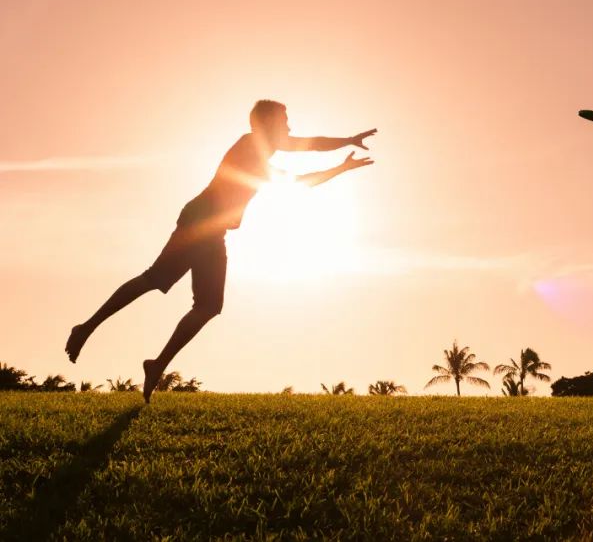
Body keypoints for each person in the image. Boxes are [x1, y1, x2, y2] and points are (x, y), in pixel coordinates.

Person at [64, 100, 376, 402]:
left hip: (214, 232)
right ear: (266, 124)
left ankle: (156, 365)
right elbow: (300, 168)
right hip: (199, 223)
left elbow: (310, 146)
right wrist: (340, 163)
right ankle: (87, 327)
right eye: (284, 121)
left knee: (209, 306)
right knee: (155, 280)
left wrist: (345, 148)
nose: (289, 127)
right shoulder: (249, 147)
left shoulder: (263, 152)